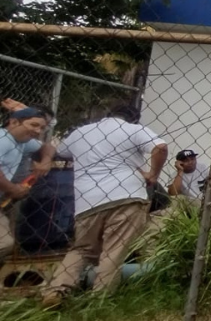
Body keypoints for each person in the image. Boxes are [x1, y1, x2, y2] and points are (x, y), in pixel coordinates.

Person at [43, 104, 167, 306]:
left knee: (81, 249)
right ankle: (99, 299)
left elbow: (58, 152)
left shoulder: (81, 132)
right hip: (127, 196)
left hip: (88, 200)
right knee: (114, 250)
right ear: (134, 119)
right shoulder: (133, 129)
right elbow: (160, 147)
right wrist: (153, 175)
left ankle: (57, 290)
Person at [0, 104, 54, 268]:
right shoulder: (3, 139)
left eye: (42, 128)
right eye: (33, 125)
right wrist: (13, 189)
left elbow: (48, 147)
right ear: (14, 122)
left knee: (7, 242)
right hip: (8, 194)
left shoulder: (22, 142)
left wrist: (45, 161)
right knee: (4, 243)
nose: (38, 131)